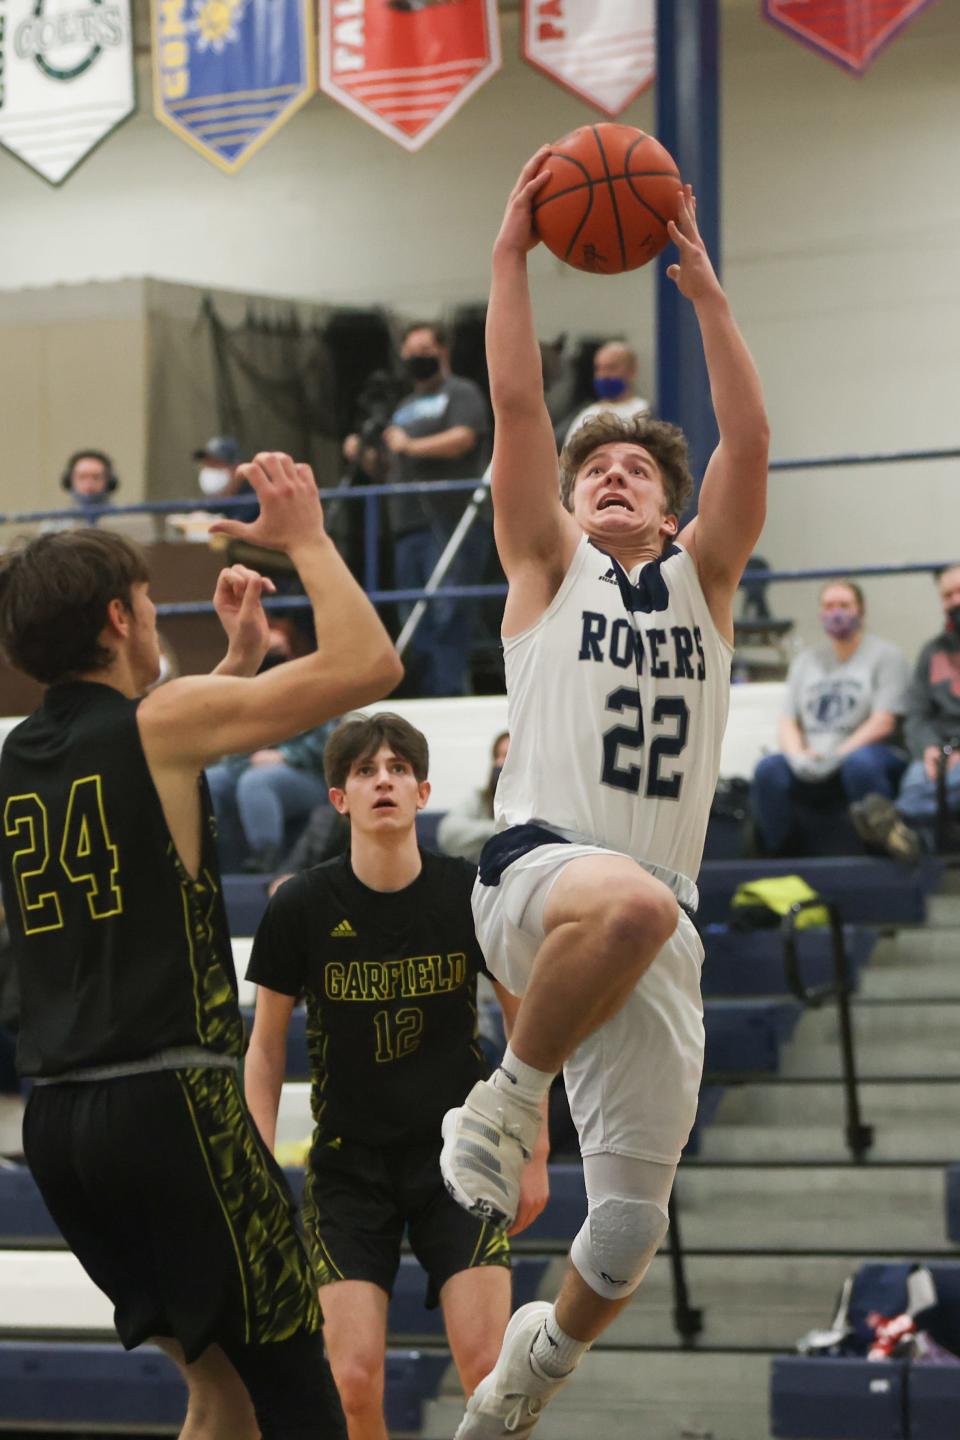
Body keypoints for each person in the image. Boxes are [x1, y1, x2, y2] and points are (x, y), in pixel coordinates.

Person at [438, 152, 769, 1438]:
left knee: (626, 1234)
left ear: (676, 506)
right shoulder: (547, 568)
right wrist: (513, 254)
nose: (615, 476)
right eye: (597, 472)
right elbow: (520, 411)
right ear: (568, 506)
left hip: (654, 922)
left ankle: (525, 1382)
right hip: (538, 872)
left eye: (639, 470)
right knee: (626, 902)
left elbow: (747, 439)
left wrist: (709, 301)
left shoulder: (709, 581)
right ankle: (507, 1102)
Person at [0, 452, 402, 1439]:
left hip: (58, 1126)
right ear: (119, 620)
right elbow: (370, 667)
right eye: (146, 598)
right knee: (298, 1392)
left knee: (219, 1394)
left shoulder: (17, 752)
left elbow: (149, 779)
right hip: (172, 1104)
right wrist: (304, 535)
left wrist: (236, 669)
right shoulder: (162, 723)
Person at [244, 712, 549, 1440]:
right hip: (350, 1168)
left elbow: (528, 1024)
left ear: (423, 791)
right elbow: (261, 1050)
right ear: (339, 799)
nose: (384, 778)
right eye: (364, 771)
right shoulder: (300, 907)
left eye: (398, 769)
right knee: (352, 1381)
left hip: (461, 1160)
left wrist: (534, 1151)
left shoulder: (469, 893)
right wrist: (254, 1164)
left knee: (489, 1372)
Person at [749, 580, 915, 861]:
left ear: (861, 611)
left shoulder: (887, 657)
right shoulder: (805, 662)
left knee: (860, 764)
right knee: (769, 769)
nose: (835, 613)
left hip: (867, 755)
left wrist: (837, 755)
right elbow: (788, 720)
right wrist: (798, 756)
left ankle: (879, 849)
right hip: (813, 759)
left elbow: (884, 721)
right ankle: (779, 855)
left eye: (844, 606)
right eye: (828, 606)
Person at [382, 322, 492, 698]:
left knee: (449, 612)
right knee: (412, 616)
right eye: (410, 353)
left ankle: (450, 692)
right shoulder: (402, 407)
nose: (417, 359)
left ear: (443, 352)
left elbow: (463, 438)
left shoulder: (461, 393)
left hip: (453, 519)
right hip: (407, 524)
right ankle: (424, 693)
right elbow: (389, 464)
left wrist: (411, 446)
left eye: (424, 350)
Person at [880, 565, 960, 843]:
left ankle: (893, 821)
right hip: (939, 749)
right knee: (916, 781)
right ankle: (913, 848)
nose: (956, 601)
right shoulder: (932, 651)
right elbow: (917, 713)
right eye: (948, 595)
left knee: (945, 785)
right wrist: (928, 748)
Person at [206, 719, 336, 872]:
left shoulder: (320, 700)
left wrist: (285, 756)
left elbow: (328, 745)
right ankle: (206, 859)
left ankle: (265, 859)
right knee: (209, 781)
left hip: (308, 772)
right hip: (249, 765)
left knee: (256, 782)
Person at [437, 732, 510, 864]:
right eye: (497, 756)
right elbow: (447, 833)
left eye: (506, 756)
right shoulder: (481, 798)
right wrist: (502, 829)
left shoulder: (540, 805)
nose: (499, 762)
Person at [561, 342, 649, 448]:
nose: (604, 375)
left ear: (632, 370)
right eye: (599, 369)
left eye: (611, 368)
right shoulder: (586, 416)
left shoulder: (647, 413)